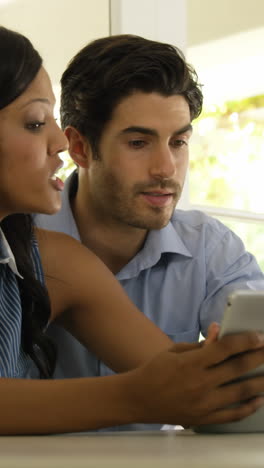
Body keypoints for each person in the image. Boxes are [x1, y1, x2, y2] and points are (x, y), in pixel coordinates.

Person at [1, 26, 264, 436]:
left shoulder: (55, 260)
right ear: (83, 148)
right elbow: (161, 387)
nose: (166, 169)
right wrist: (137, 396)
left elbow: (189, 380)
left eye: (179, 142)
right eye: (36, 123)